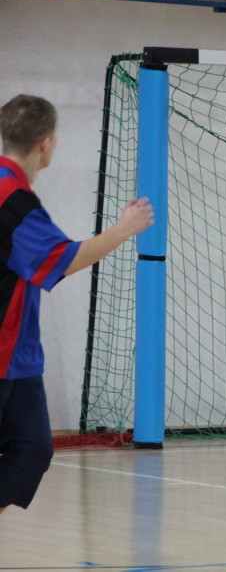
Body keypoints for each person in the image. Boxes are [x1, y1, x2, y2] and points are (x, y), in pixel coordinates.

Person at [0, 95, 154, 515]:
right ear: (46, 143)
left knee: (33, 449)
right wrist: (125, 228)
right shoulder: (11, 198)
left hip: (19, 358)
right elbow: (65, 260)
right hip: (3, 353)